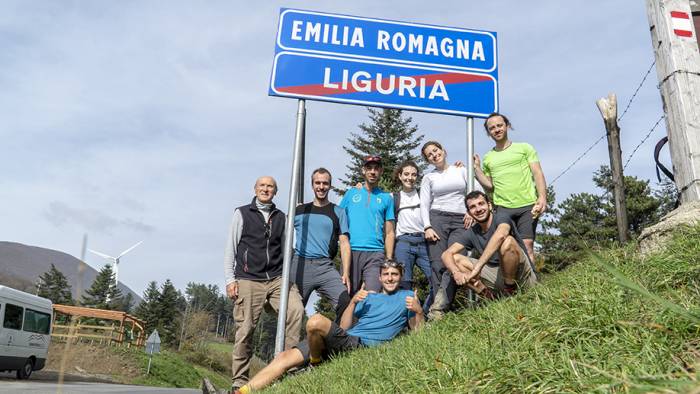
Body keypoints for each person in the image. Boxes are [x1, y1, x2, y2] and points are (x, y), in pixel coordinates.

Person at [234, 260, 424, 393]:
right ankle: (240, 392)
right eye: (386, 275)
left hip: (361, 345)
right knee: (284, 357)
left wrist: (419, 311)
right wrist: (352, 303)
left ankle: (315, 362)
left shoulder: (407, 297)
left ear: (400, 276)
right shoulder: (369, 296)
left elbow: (419, 334)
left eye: (394, 274)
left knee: (315, 322)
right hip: (346, 339)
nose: (390, 278)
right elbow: (344, 326)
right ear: (380, 278)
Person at [223, 176, 304, 391]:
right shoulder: (241, 213)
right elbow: (230, 247)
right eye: (262, 186)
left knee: (295, 311)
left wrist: (289, 278)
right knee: (245, 329)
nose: (266, 189)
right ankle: (239, 380)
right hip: (249, 278)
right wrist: (230, 279)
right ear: (255, 189)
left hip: (277, 278)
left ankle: (291, 370)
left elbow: (289, 249)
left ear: (275, 192)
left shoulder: (282, 217)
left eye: (270, 187)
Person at [474, 113, 547, 264]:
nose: (496, 130)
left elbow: (537, 173)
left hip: (527, 206)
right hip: (503, 208)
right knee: (502, 244)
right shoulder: (488, 158)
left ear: (507, 126)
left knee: (527, 246)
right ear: (489, 133)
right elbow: (489, 186)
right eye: (492, 128)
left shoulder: (524, 148)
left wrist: (542, 198)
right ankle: (510, 284)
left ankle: (531, 287)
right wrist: (477, 169)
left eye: (499, 125)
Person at [441, 190, 538, 299]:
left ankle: (510, 290)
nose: (478, 209)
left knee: (507, 242)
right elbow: (446, 254)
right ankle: (490, 298)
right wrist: (456, 272)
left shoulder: (501, 217)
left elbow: (501, 235)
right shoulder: (472, 232)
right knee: (455, 259)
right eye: (472, 207)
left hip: (522, 275)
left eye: (481, 204)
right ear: (469, 213)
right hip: (498, 276)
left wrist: (477, 268)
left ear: (489, 206)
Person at [291, 167, 352, 319]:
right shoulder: (299, 210)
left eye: (325, 183)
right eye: (317, 183)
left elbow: (344, 244)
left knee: (345, 301)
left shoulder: (338, 212)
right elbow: (281, 234)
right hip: (300, 264)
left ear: (330, 186)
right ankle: (286, 343)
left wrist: (345, 273)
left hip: (325, 266)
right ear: (312, 185)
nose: (321, 187)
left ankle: (339, 340)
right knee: (291, 310)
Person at [419, 141, 470, 320]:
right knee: (438, 265)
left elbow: (475, 192)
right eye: (429, 155)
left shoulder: (461, 170)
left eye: (435, 150)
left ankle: (444, 306)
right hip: (438, 219)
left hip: (460, 219)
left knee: (455, 261)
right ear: (428, 160)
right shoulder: (429, 178)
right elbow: (424, 204)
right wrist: (427, 226)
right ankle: (439, 312)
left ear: (443, 151)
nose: (434, 155)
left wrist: (471, 212)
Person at [339, 155, 395, 294]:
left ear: (381, 172)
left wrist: (388, 259)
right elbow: (337, 218)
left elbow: (389, 232)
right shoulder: (351, 193)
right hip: (351, 252)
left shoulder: (386, 198)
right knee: (347, 295)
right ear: (363, 171)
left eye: (376, 169)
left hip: (375, 253)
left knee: (373, 294)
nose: (372, 172)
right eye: (369, 168)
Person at [392, 160, 434, 312]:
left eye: (414, 174)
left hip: (424, 241)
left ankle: (425, 313)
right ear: (400, 176)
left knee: (436, 279)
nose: (410, 177)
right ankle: (408, 323)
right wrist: (359, 188)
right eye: (406, 174)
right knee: (404, 283)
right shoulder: (393, 197)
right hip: (403, 242)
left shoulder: (424, 195)